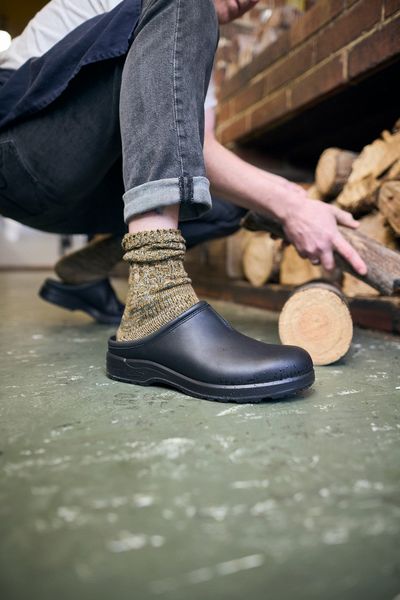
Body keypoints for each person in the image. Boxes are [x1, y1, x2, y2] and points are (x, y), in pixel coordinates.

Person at [0, 0, 367, 402]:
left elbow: (191, 152)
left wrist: (287, 205)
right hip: (18, 145)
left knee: (225, 205)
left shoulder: (182, 36)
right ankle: (157, 297)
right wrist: (289, 203)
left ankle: (86, 269)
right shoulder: (177, 7)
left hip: (72, 194)